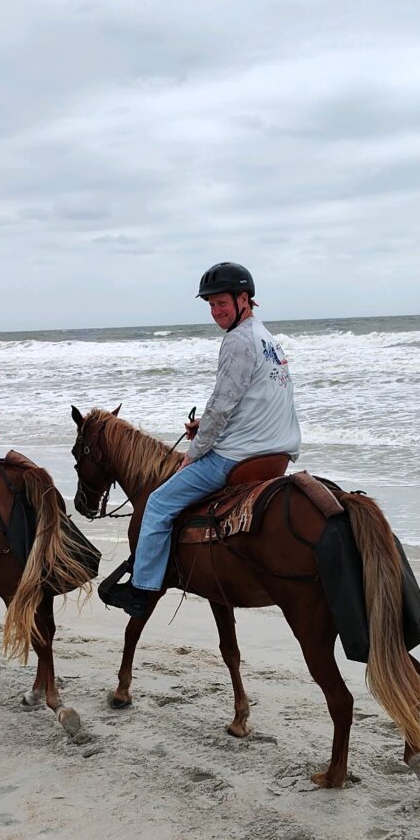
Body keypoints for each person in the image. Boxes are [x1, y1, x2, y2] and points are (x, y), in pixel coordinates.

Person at [102, 261, 300, 616]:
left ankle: (141, 588)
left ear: (244, 299)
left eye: (221, 303)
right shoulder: (269, 340)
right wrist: (208, 427)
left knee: (159, 503)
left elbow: (222, 405)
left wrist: (194, 451)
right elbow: (253, 400)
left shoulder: (238, 341)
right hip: (278, 452)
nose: (216, 311)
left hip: (239, 456)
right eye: (210, 305)